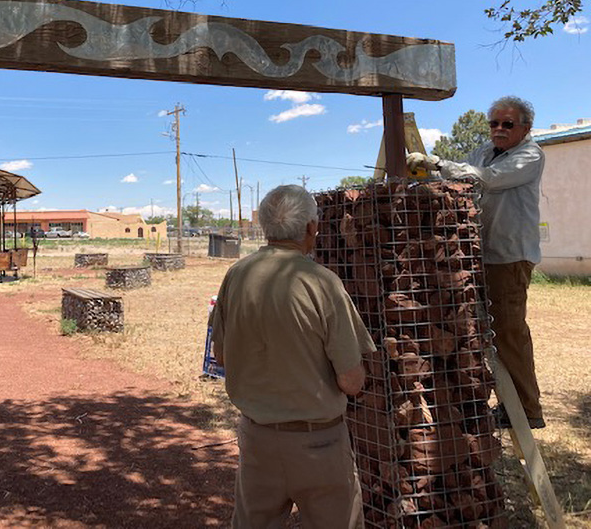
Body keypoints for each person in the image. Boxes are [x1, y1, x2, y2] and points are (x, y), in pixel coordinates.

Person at [210, 185, 375, 529]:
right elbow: (351, 381)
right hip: (319, 444)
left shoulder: (235, 276)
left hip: (257, 441)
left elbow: (221, 357)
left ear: (264, 227)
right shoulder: (323, 283)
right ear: (311, 228)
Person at [406, 95, 546, 429]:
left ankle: (528, 411)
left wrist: (436, 162)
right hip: (480, 254)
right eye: (494, 123)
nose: (498, 129)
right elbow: (456, 180)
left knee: (509, 333)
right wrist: (423, 176)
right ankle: (501, 404)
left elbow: (486, 178)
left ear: (525, 127)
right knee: (483, 332)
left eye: (507, 124)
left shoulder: (529, 155)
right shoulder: (485, 151)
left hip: (509, 258)